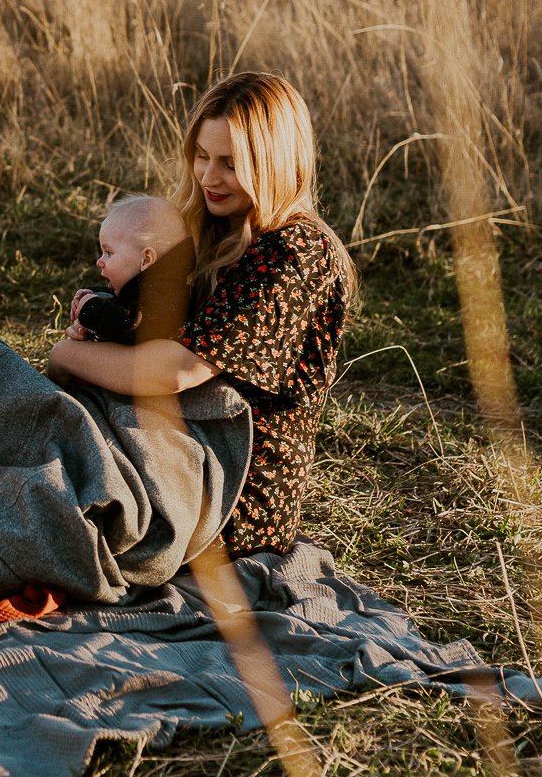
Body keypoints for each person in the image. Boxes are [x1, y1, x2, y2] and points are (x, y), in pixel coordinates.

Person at [47, 71, 353, 556]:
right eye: (202, 156)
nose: (209, 177)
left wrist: (67, 357)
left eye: (231, 163)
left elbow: (176, 370)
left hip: (231, 491)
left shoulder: (295, 253)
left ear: (274, 163)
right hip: (173, 442)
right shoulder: (210, 233)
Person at [68, 194, 186, 345]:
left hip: (150, 367)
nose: (99, 262)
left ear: (146, 259)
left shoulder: (164, 295)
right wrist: (94, 295)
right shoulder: (146, 287)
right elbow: (125, 301)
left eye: (109, 253)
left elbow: (132, 326)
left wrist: (91, 308)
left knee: (65, 352)